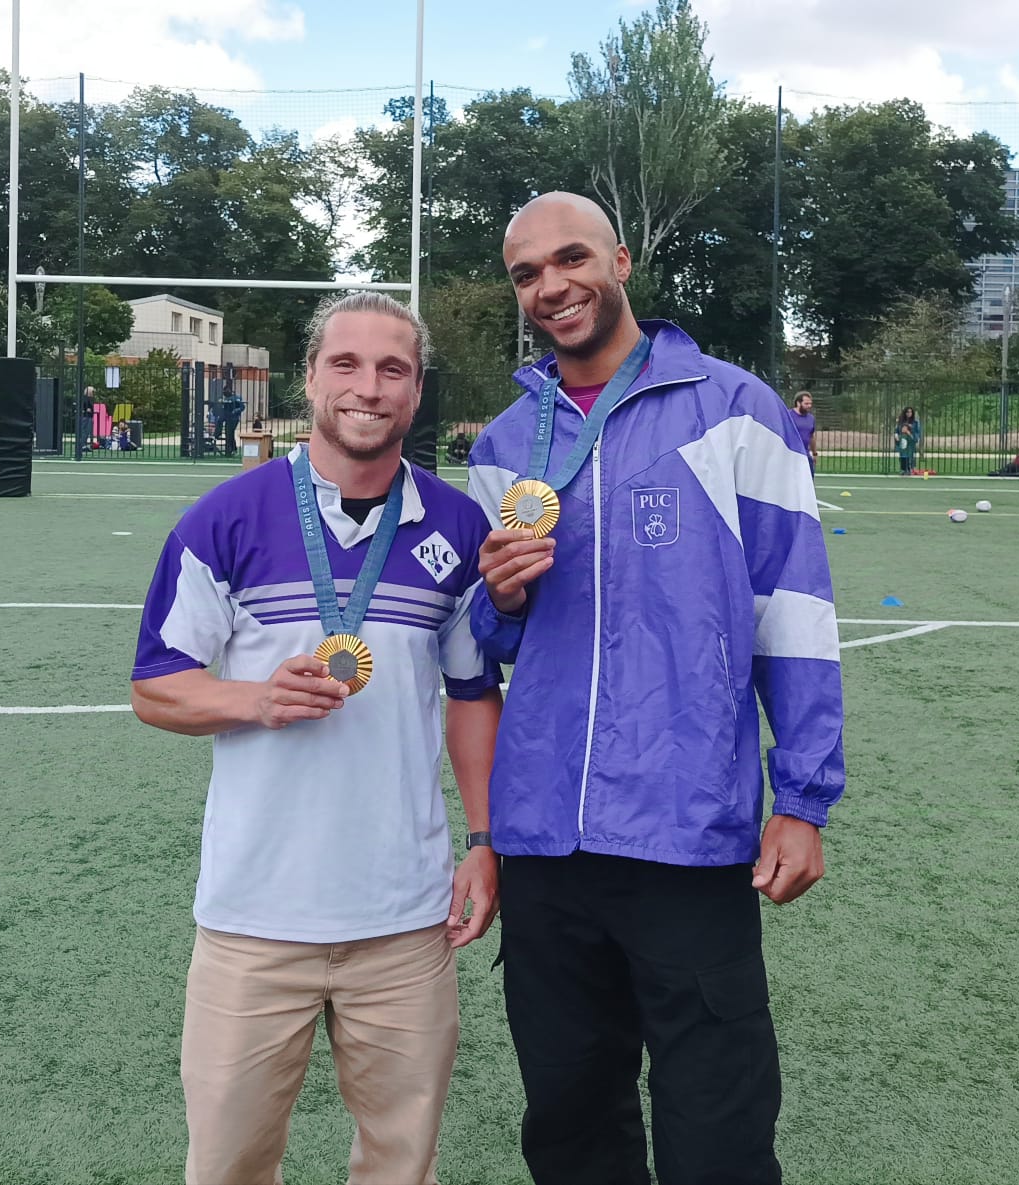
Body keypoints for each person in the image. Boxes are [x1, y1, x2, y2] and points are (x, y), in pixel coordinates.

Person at [467, 192, 842, 1185]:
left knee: (714, 1127)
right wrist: (496, 598)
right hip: (544, 836)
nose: (550, 286)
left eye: (570, 258)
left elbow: (792, 610)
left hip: (684, 826)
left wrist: (801, 799)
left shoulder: (734, 408)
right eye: (525, 274)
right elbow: (485, 643)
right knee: (571, 1122)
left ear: (621, 261)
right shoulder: (504, 443)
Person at [130, 291, 504, 1185]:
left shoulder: (457, 528)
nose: (368, 387)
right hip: (253, 920)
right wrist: (254, 699)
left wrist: (486, 840)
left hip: (405, 923)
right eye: (346, 363)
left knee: (399, 1164)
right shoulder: (224, 520)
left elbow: (472, 693)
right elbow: (155, 687)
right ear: (310, 378)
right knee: (227, 1165)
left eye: (393, 369)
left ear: (416, 392)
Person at [789, 390, 819, 472]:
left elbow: (811, 437)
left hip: (805, 454)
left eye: (810, 403)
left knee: (809, 480)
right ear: (798, 403)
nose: (809, 406)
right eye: (806, 403)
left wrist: (814, 453)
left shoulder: (811, 418)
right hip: (791, 454)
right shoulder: (788, 416)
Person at [894, 405, 922, 475]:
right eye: (907, 412)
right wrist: (896, 435)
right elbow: (896, 430)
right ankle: (903, 469)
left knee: (910, 455)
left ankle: (910, 469)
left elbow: (917, 432)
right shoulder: (900, 421)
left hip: (911, 440)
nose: (909, 413)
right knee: (903, 454)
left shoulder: (915, 422)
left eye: (910, 412)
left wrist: (909, 432)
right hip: (902, 439)